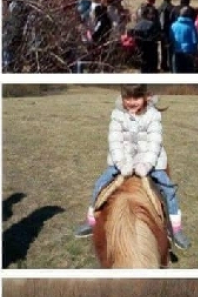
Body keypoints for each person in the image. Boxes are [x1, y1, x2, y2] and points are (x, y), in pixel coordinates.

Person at [74, 84, 191, 249]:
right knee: (100, 184)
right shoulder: (117, 114)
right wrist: (121, 163)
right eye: (127, 97)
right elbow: (115, 141)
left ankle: (175, 228)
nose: (131, 102)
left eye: (136, 98)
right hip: (123, 161)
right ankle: (91, 220)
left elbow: (155, 142)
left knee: (168, 190)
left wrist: (147, 164)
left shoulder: (153, 115)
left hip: (151, 162)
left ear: (145, 96)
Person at [170, 6, 198, 73]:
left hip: (177, 51)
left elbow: (171, 39)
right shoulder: (191, 25)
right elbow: (195, 40)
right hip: (189, 52)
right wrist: (196, 53)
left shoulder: (173, 25)